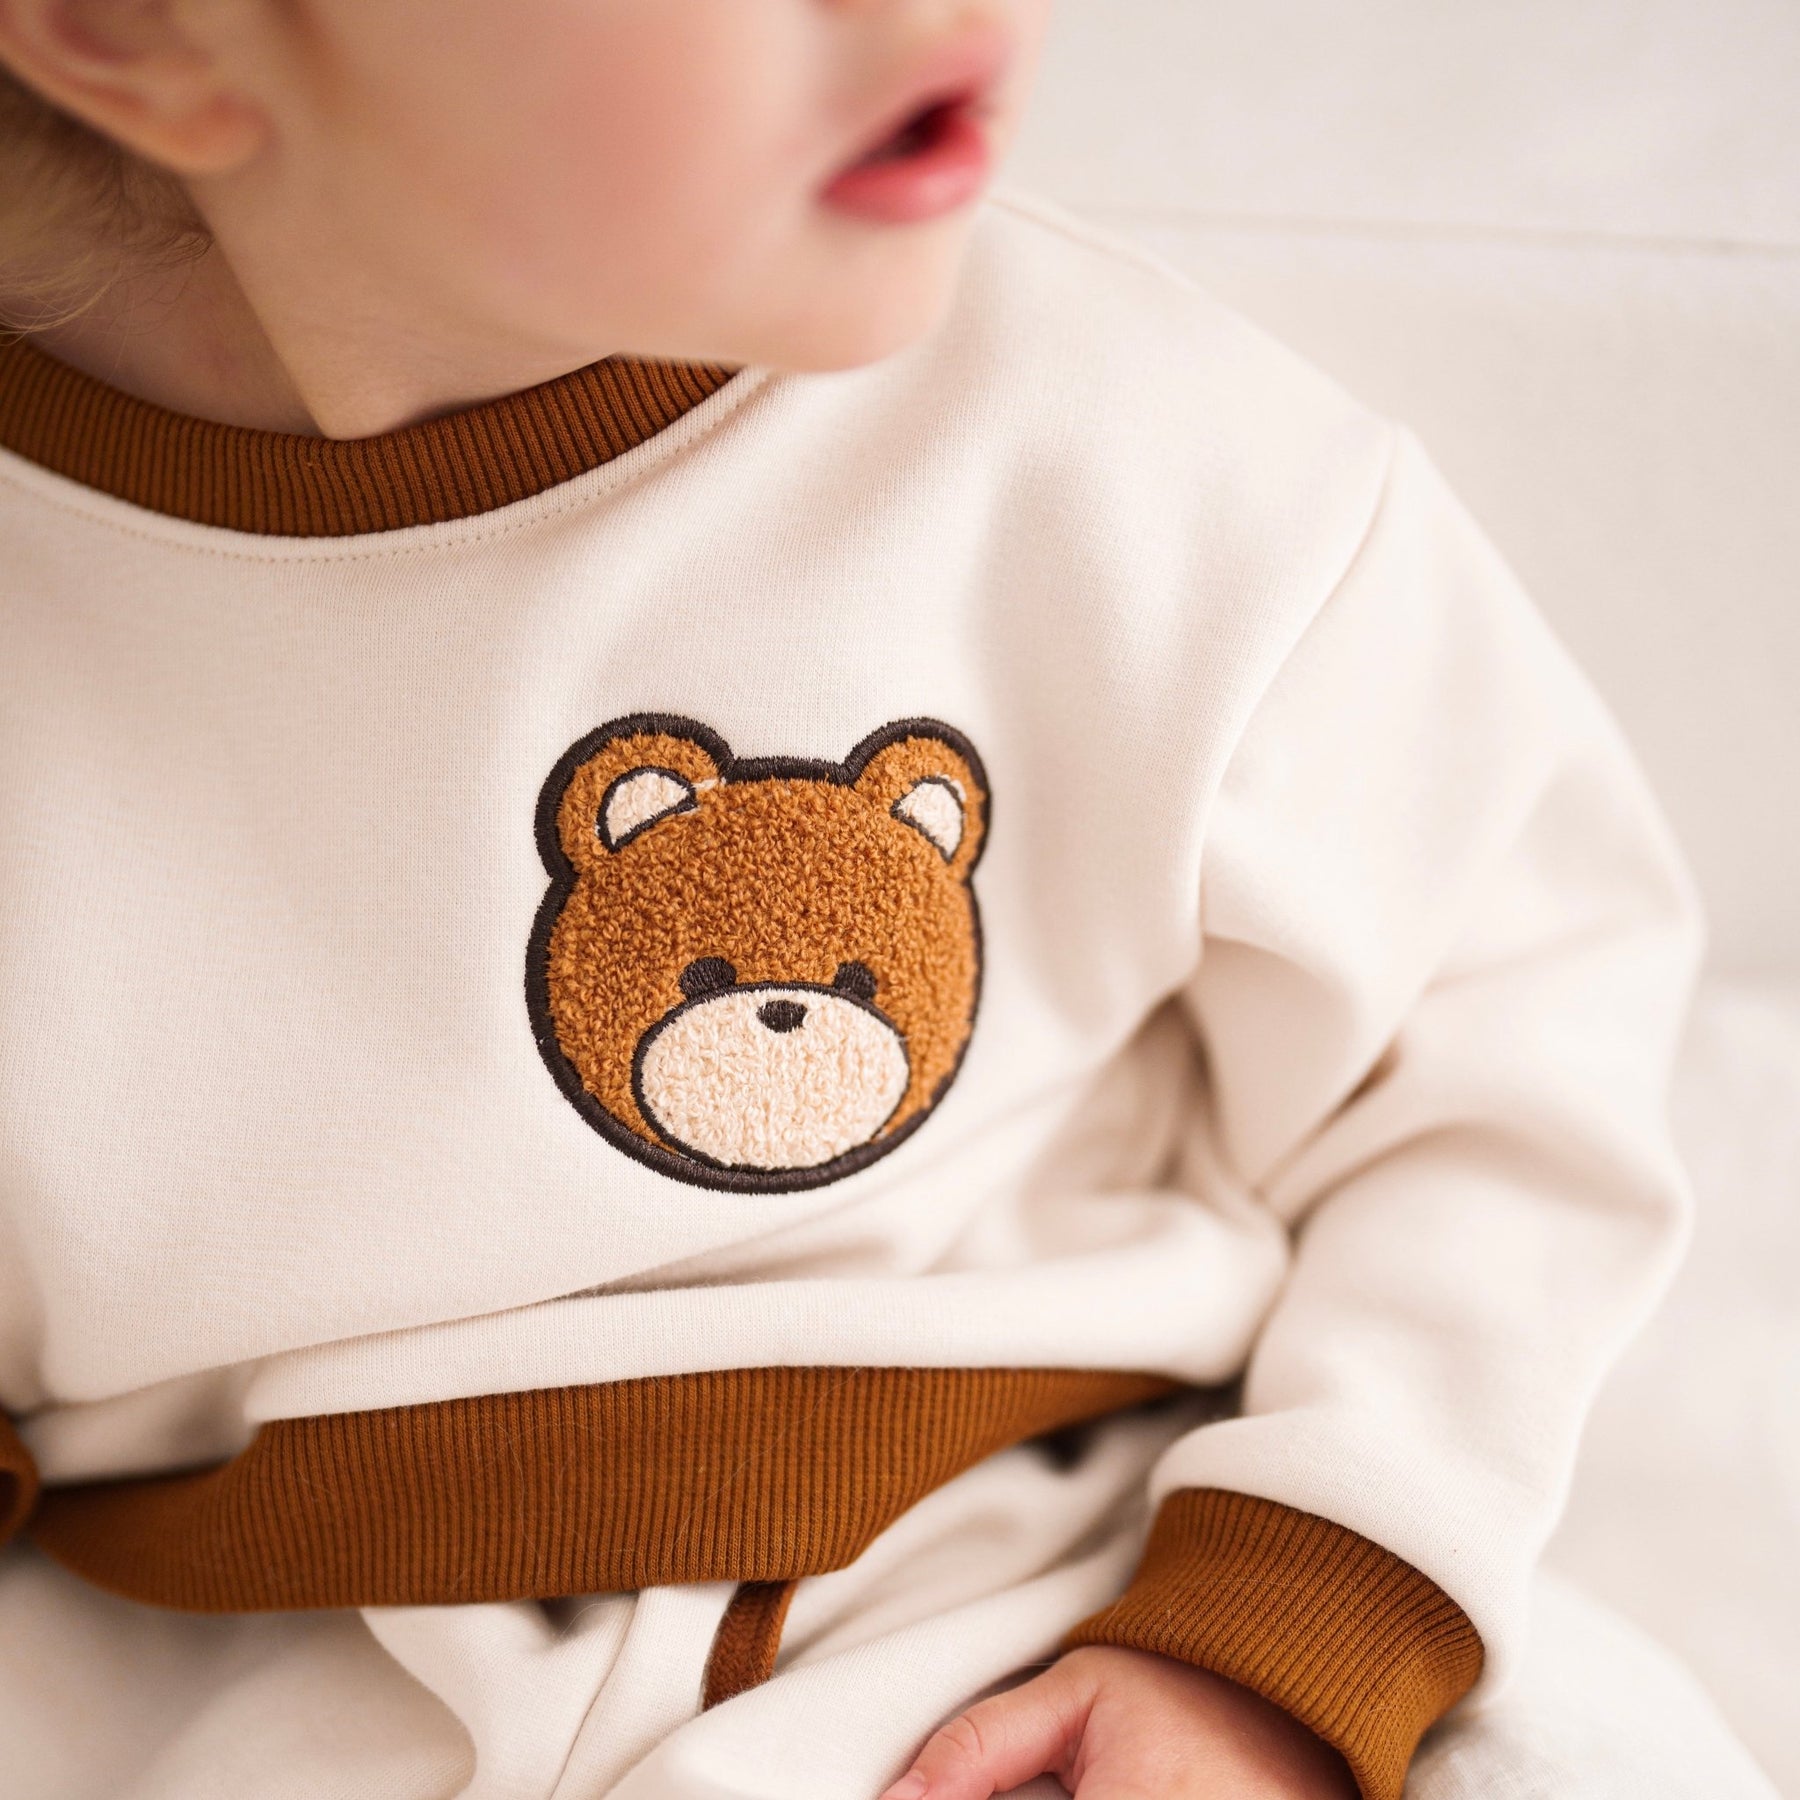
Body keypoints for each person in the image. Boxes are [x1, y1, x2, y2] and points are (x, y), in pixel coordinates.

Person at [0, 3, 1777, 1797]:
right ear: (132, 34)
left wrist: (1300, 1617)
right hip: (221, 1660)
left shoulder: (1130, 453)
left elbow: (1512, 1035)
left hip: (1095, 1578)